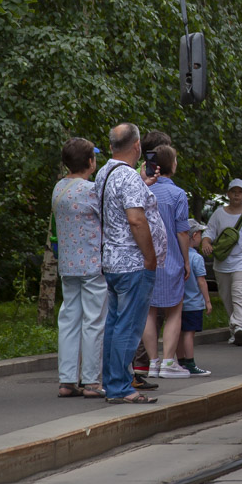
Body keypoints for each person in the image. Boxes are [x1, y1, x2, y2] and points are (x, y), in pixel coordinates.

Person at [97, 123, 159, 404]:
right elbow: (136, 219)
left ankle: (112, 383)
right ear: (137, 146)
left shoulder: (105, 173)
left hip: (111, 260)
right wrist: (150, 256)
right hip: (132, 262)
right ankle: (122, 387)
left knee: (114, 324)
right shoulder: (129, 178)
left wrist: (142, 186)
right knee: (129, 325)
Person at [54, 138, 106, 399]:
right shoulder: (91, 190)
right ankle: (92, 381)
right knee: (94, 321)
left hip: (67, 264)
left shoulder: (58, 187)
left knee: (69, 320)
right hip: (92, 264)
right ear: (90, 162)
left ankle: (66, 380)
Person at [141, 134, 193, 379]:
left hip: (146, 258)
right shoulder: (178, 195)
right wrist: (185, 260)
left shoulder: (142, 189)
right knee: (174, 310)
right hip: (171, 258)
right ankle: (169, 362)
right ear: (171, 165)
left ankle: (152, 363)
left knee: (149, 311)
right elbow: (183, 232)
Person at [204, 178, 242, 345]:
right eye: (233, 191)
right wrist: (206, 242)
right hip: (222, 264)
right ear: (228, 194)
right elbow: (208, 232)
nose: (237, 194)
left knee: (240, 295)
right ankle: (235, 330)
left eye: (240, 191)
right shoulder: (218, 214)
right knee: (227, 298)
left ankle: (239, 327)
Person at [178, 220, 213, 376]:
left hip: (178, 302)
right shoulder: (196, 258)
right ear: (194, 235)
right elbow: (201, 281)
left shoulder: (177, 255)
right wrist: (207, 301)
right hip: (193, 303)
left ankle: (179, 362)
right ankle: (190, 363)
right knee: (189, 334)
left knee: (178, 333)